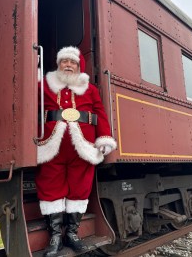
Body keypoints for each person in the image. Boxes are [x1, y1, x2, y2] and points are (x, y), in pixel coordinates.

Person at [35, 46, 117, 256]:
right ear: (58, 64)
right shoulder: (44, 84)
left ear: (79, 66)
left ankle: (71, 234)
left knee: (80, 190)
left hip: (83, 147)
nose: (68, 66)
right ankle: (54, 237)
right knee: (50, 188)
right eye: (64, 62)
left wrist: (104, 137)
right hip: (51, 147)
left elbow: (100, 113)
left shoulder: (90, 89)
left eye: (72, 63)